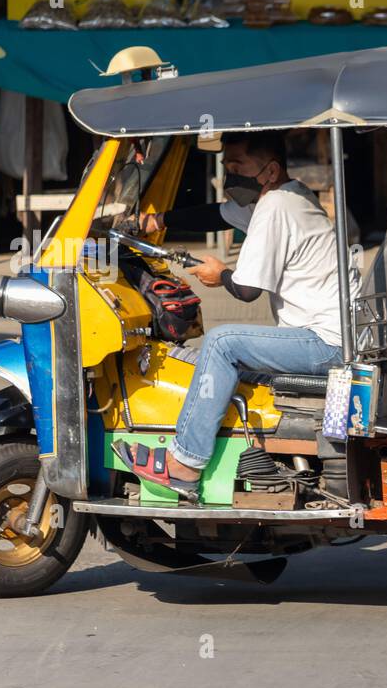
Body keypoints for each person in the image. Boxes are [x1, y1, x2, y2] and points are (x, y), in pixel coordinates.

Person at [113, 131, 348, 499]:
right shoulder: (287, 194)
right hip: (329, 336)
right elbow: (217, 215)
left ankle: (184, 464)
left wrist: (218, 275)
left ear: (270, 170)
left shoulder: (275, 208)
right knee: (229, 356)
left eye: (238, 166)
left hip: (324, 344)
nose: (229, 175)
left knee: (223, 343)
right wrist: (159, 221)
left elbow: (246, 289)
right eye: (226, 166)